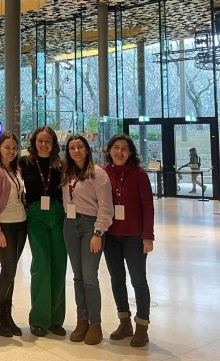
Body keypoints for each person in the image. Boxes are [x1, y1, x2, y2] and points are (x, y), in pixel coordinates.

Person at [103, 134, 154, 347]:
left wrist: (148, 236)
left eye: (124, 148)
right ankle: (124, 322)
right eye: (116, 147)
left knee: (138, 280)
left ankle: (142, 326)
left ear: (130, 152)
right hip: (111, 236)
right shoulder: (103, 173)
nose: (119, 152)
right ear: (109, 150)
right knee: (116, 279)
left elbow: (148, 206)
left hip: (134, 237)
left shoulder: (139, 174)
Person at [62, 134, 114, 345]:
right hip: (69, 224)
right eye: (72, 148)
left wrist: (98, 232)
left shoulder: (98, 174)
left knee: (90, 277)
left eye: (80, 147)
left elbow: (106, 207)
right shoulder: (67, 173)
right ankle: (82, 320)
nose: (76, 151)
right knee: (78, 276)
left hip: (90, 226)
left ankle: (95, 323)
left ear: (87, 149)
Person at [20, 126, 67, 338]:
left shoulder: (61, 165)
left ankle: (56, 319)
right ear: (34, 143)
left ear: (54, 144)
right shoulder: (25, 163)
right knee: (41, 266)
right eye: (40, 140)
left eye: (48, 141)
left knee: (59, 265)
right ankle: (39, 319)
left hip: (58, 215)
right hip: (36, 215)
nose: (44, 144)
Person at [0, 131, 27, 337]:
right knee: (7, 271)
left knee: (12, 271)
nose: (11, 151)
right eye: (7, 147)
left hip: (21, 224)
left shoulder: (16, 169)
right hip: (4, 226)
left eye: (14, 148)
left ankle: (6, 316)